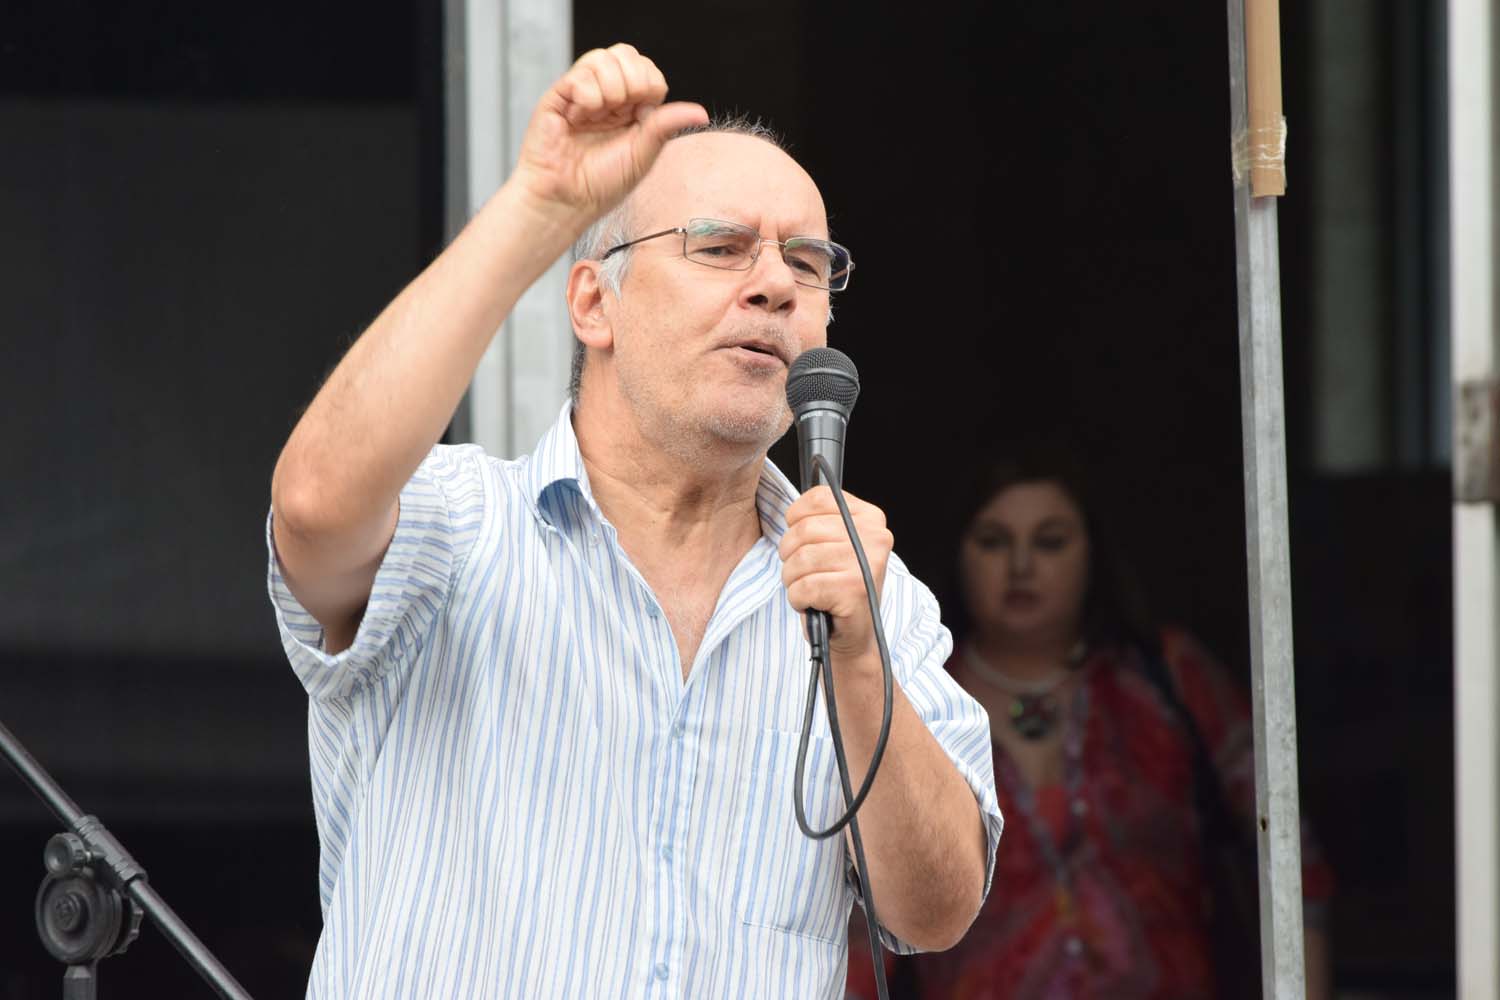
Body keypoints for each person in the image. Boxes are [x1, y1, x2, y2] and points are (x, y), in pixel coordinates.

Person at [265, 44, 1003, 998]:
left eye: (807, 262)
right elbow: (314, 506)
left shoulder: (871, 594)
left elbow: (936, 911)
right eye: (720, 247)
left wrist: (858, 664)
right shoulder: (458, 526)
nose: (775, 284)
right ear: (593, 303)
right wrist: (540, 207)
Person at [850, 442, 1333, 999]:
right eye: (994, 541)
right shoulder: (913, 697)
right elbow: (863, 917)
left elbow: (1292, 859)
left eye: (1050, 541)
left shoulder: (1168, 678)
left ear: (1092, 554)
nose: (1021, 566)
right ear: (959, 553)